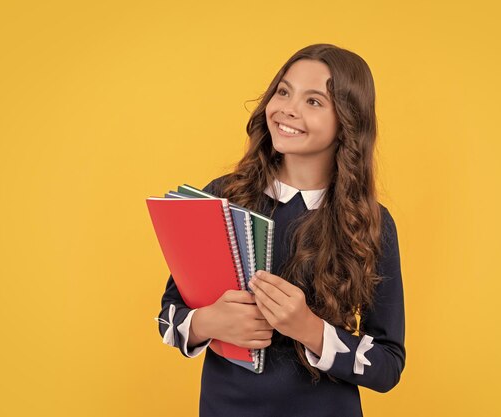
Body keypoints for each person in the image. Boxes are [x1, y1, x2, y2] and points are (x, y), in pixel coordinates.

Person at [155, 43, 406, 417]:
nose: (288, 108)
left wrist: (311, 330)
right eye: (284, 91)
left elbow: (388, 365)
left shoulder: (370, 223)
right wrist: (209, 322)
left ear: (347, 123)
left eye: (314, 101)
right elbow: (167, 319)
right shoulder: (223, 197)